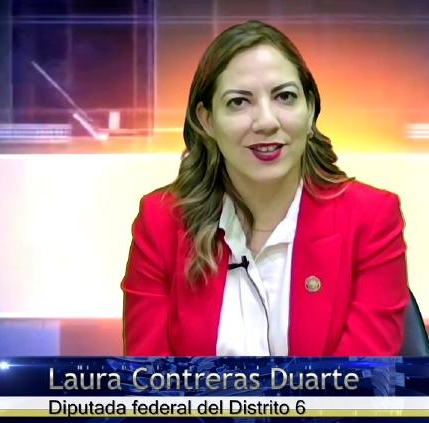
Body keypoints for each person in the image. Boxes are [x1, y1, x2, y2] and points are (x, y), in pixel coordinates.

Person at [122, 20, 408, 356]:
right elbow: (148, 380)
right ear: (206, 120)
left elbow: (358, 383)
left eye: (285, 97)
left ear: (310, 109)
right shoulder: (161, 222)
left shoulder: (371, 219)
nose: (267, 122)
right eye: (239, 102)